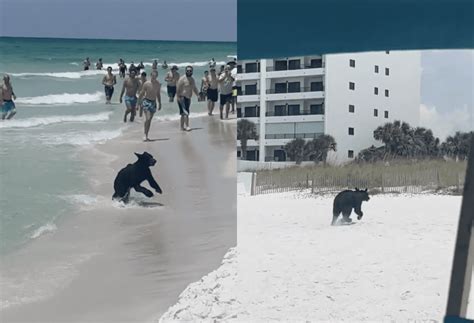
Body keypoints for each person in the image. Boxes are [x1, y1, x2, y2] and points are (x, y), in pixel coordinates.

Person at [138, 70, 162, 141]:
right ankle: (145, 135)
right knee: (148, 118)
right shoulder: (146, 83)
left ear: (156, 76)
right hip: (146, 101)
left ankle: (146, 134)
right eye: (152, 75)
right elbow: (141, 93)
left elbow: (158, 94)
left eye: (155, 76)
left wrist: (160, 103)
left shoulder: (158, 84)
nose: (154, 77)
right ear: (151, 75)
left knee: (150, 120)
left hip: (153, 102)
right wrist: (138, 103)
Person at [176, 65, 199, 131]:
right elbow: (178, 89)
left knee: (184, 113)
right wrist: (178, 97)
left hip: (188, 98)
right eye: (187, 71)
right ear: (185, 71)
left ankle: (181, 127)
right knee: (186, 113)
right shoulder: (182, 79)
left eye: (190, 71)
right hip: (182, 97)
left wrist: (198, 95)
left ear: (192, 71)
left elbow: (194, 88)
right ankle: (187, 126)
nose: (189, 72)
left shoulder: (192, 79)